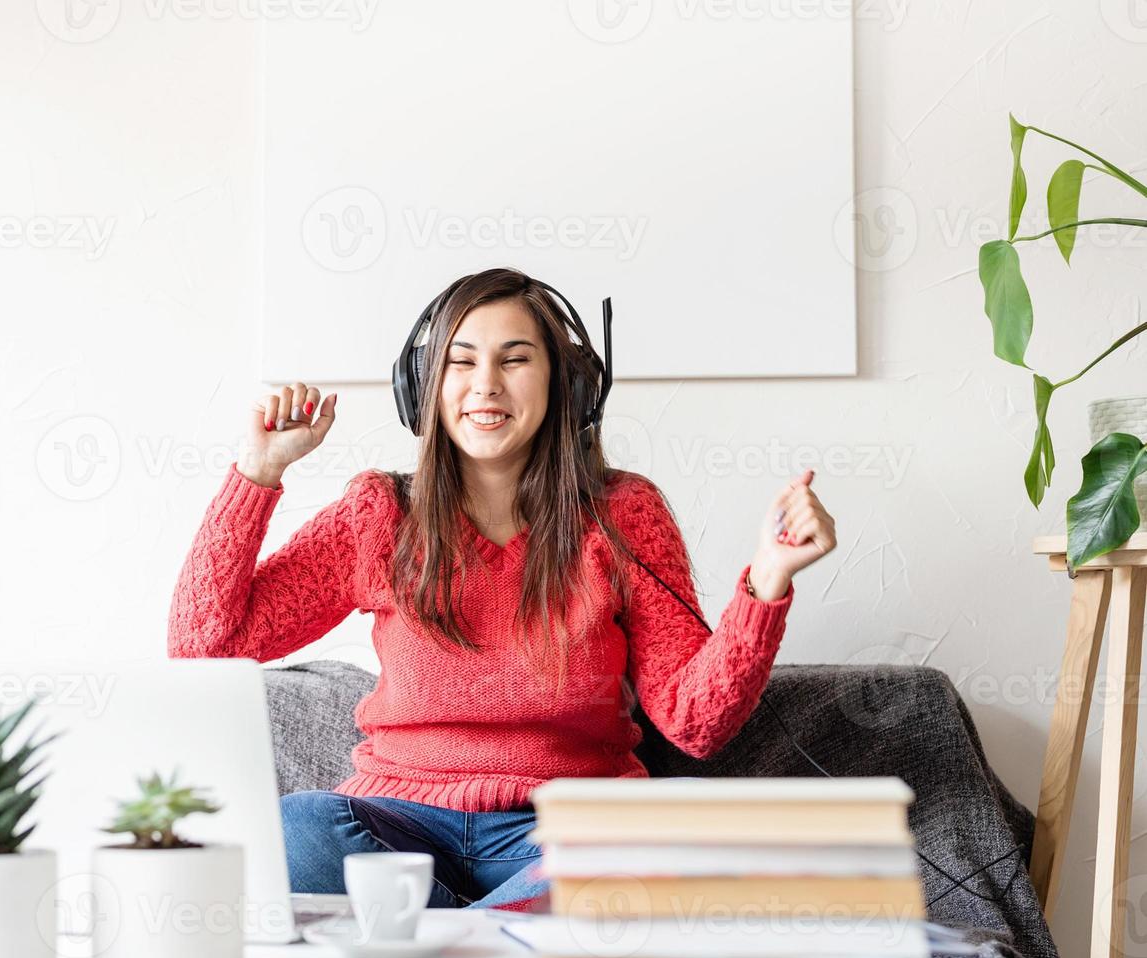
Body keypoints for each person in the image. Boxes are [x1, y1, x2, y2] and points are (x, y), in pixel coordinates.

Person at [167, 267, 837, 910]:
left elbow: (695, 722)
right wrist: (256, 472)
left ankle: (443, 941)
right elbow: (204, 647)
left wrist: (767, 582)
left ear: (567, 387)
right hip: (395, 826)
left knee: (645, 854)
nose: (484, 385)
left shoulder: (621, 513)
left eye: (514, 360)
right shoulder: (378, 513)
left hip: (565, 832)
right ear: (423, 387)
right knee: (298, 825)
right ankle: (497, 937)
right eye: (460, 362)